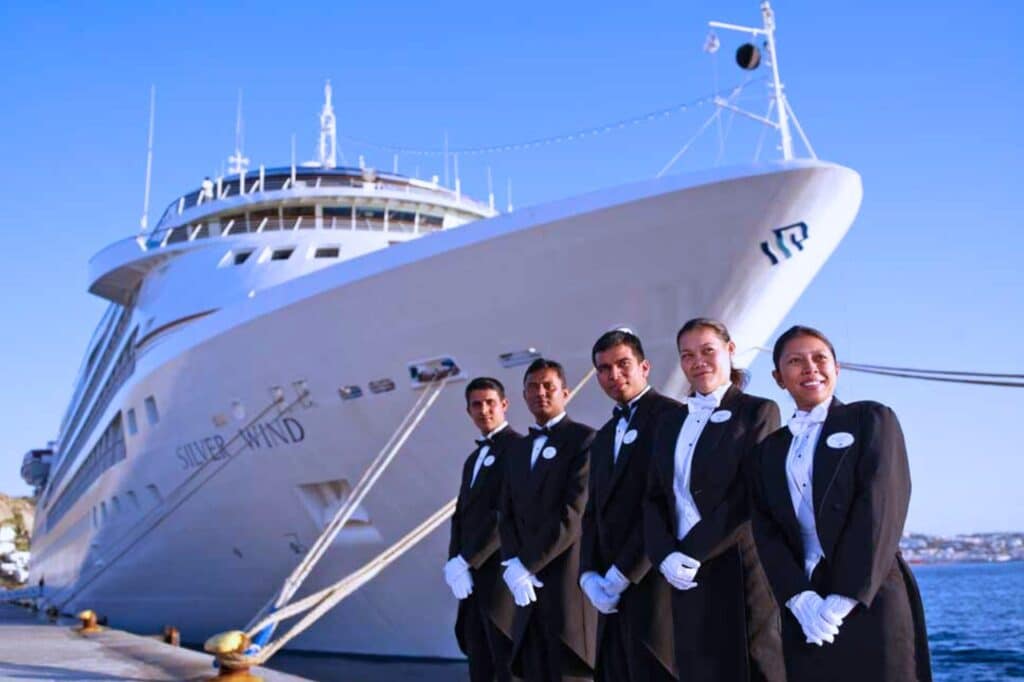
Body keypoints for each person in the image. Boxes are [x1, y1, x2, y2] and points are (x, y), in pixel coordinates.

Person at [748, 325, 932, 681]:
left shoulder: (871, 419)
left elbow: (881, 507)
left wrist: (845, 596)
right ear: (778, 377)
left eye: (820, 359)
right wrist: (798, 598)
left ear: (837, 369)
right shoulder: (767, 452)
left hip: (870, 596)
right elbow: (765, 529)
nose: (810, 368)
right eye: (796, 361)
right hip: (805, 609)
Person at [645, 318, 782, 682]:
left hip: (740, 565)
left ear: (730, 351)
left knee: (755, 667)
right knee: (697, 668)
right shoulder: (669, 422)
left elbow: (748, 493)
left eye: (708, 351)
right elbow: (656, 496)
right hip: (682, 573)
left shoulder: (759, 411)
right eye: (687, 355)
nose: (698, 361)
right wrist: (665, 556)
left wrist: (692, 551)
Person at [578, 329, 680, 681]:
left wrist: (625, 571)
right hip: (608, 594)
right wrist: (588, 573)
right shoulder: (604, 436)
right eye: (604, 369)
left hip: (654, 584)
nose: (614, 375)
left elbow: (669, 505)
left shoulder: (674, 418)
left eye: (623, 365)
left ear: (645, 366)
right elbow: (592, 511)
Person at [499, 358, 597, 681]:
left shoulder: (584, 441)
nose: (540, 392)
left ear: (565, 393)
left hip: (565, 587)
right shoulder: (516, 449)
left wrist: (527, 563)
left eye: (548, 386)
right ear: (524, 396)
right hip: (525, 595)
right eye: (532, 387)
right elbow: (507, 511)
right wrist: (512, 563)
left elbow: (574, 513)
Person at [445, 377, 525, 682]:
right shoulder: (472, 460)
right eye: (476, 405)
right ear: (468, 411)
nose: (484, 410)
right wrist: (455, 562)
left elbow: (504, 514)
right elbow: (461, 516)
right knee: (479, 664)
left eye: (490, 403)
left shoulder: (518, 449)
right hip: (471, 583)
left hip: (501, 580)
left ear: (504, 405)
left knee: (507, 666)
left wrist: (468, 559)